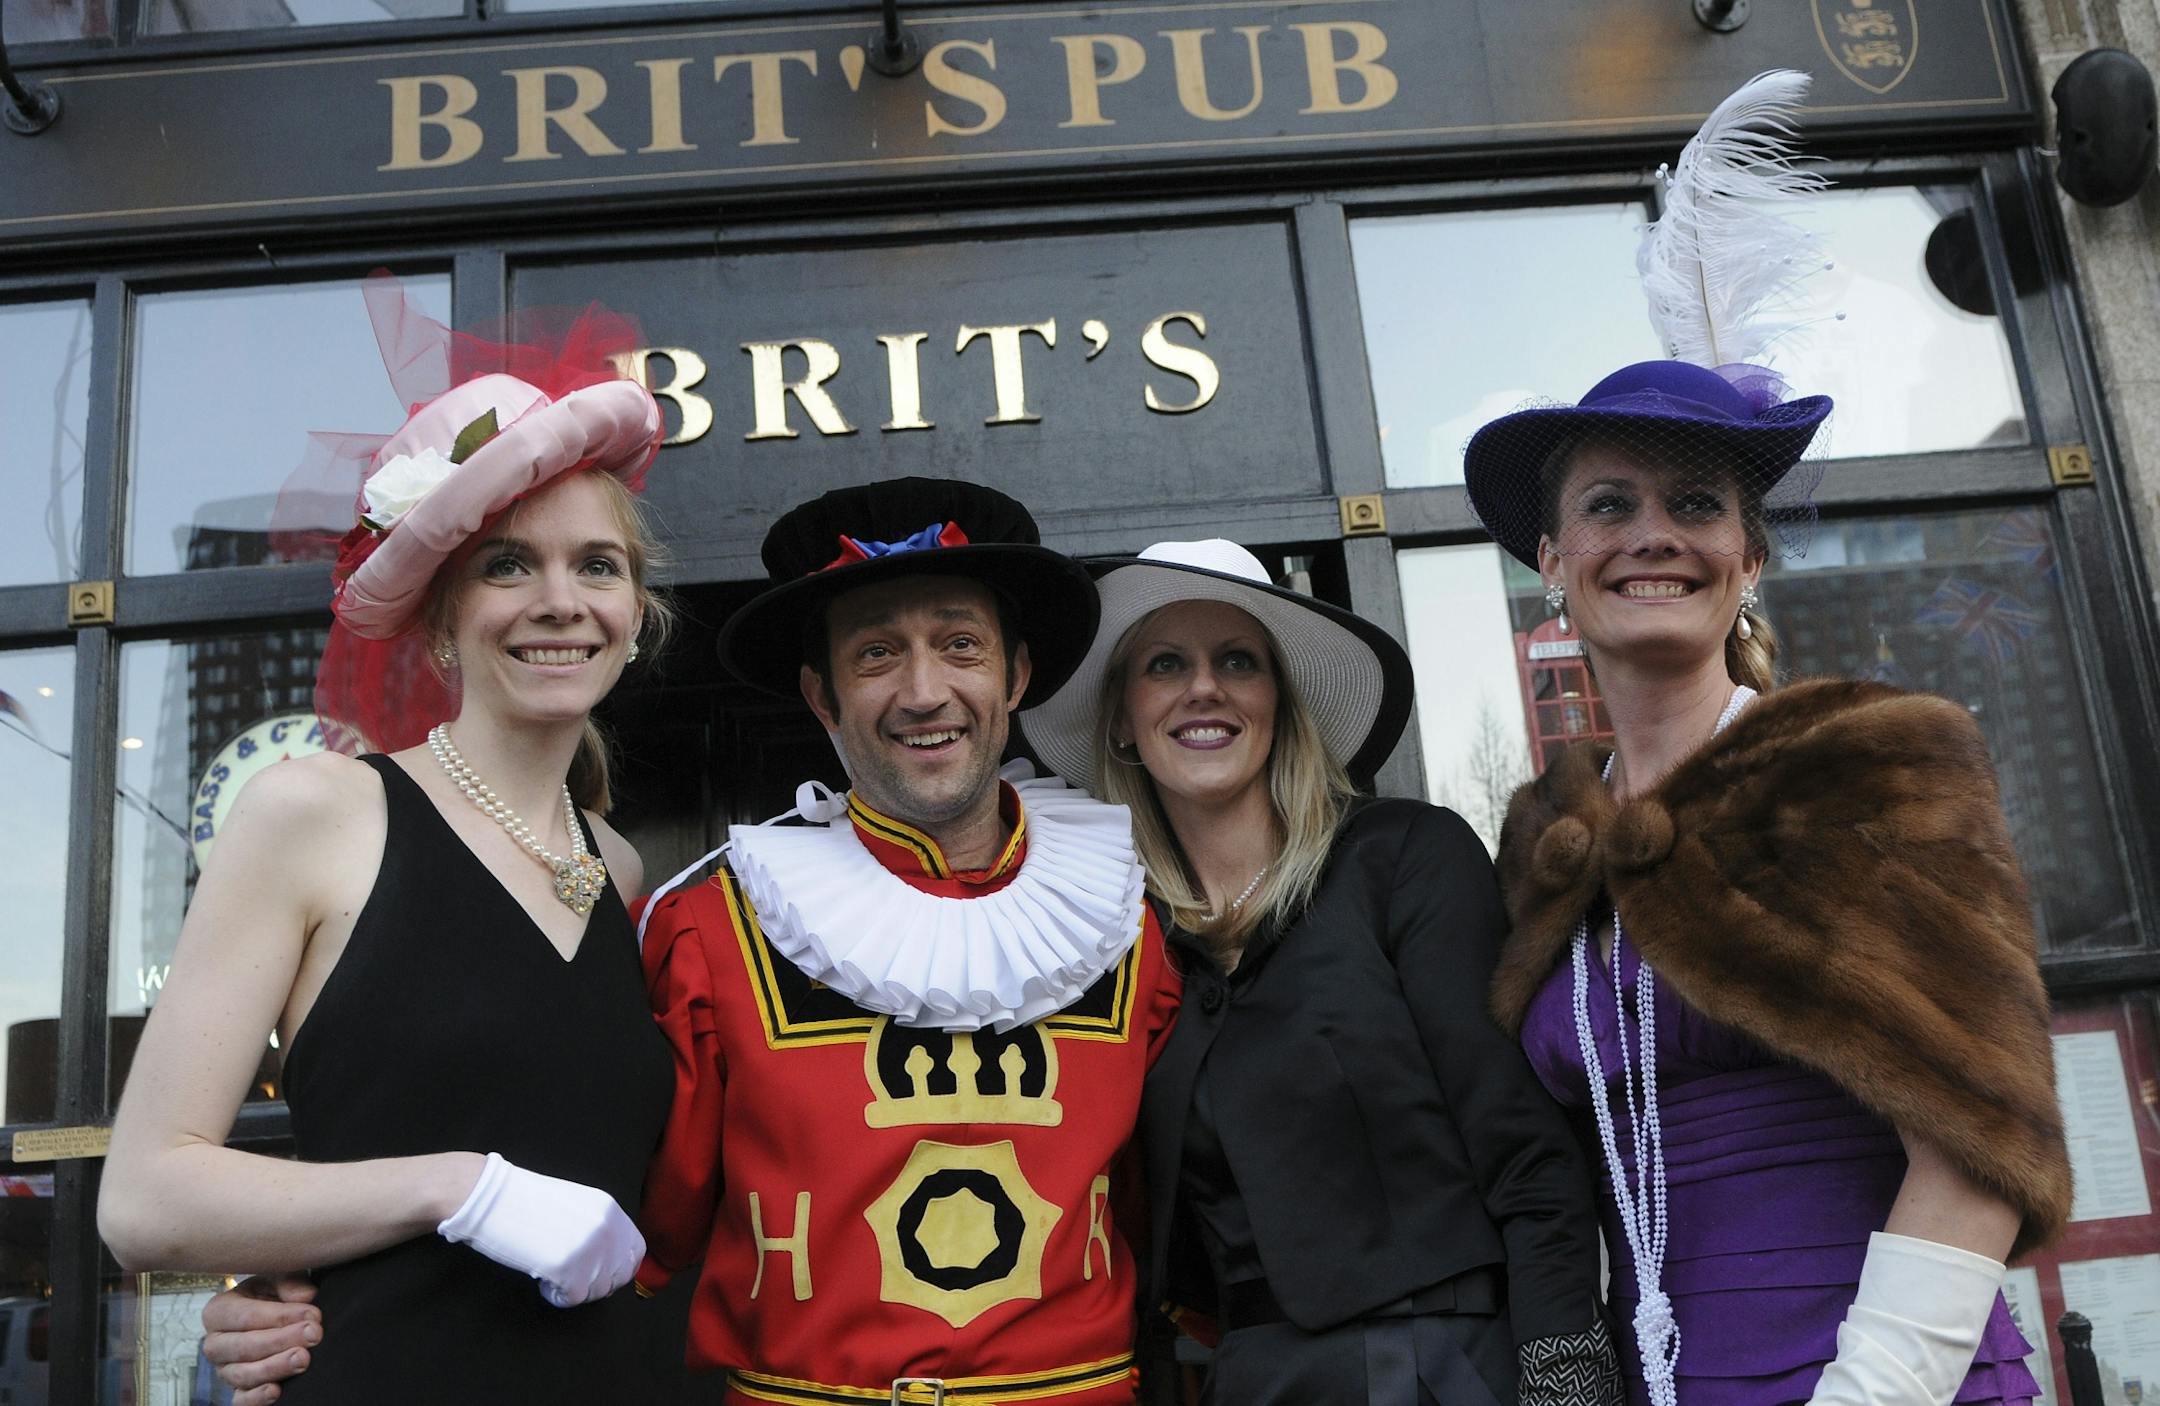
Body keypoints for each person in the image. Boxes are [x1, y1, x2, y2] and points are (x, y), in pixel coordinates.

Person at [200, 477, 1184, 1405]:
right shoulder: (709, 921)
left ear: (1015, 674)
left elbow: (1193, 1206)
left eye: (961, 644)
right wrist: (302, 1280)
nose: (924, 689)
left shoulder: (1125, 916)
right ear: (820, 697)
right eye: (877, 653)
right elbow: (607, 1203)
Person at [1460, 351, 2072, 1406]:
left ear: (1747, 559)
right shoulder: (1546, 844)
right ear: (1553, 560)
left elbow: (1982, 1143)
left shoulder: (1869, 764)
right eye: (1610, 505)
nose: (1652, 532)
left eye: (1695, 504)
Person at [100, 324, 679, 1406]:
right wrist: (459, 1190)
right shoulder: (316, 813)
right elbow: (143, 1196)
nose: (562, 599)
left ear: (633, 614)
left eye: (596, 564)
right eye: (510, 563)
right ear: (445, 616)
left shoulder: (622, 867)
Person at [1021, 539, 1620, 1406]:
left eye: (1238, 661)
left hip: (1451, 1367)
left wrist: (1564, 1374)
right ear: (1122, 715)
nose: (1204, 688)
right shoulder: (1110, 935)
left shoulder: (1404, 857)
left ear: (1278, 701)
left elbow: (1527, 1150)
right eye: (1164, 664)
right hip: (1247, 1378)